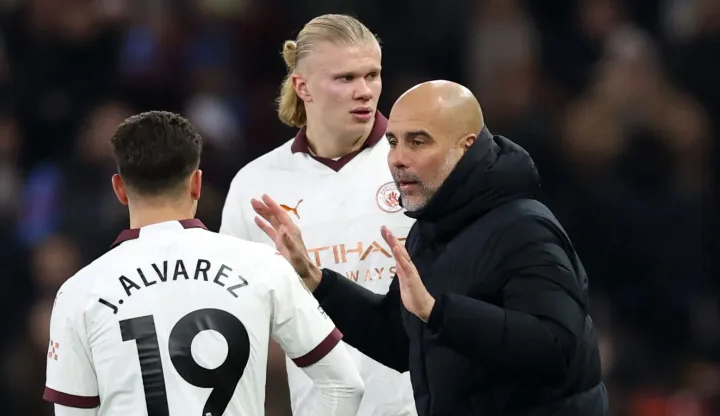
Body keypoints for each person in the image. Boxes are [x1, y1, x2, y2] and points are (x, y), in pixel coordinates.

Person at [251, 80, 610, 415]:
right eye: (393, 142)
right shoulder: (430, 227)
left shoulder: (524, 228)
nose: (397, 159)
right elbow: (399, 339)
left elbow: (556, 348)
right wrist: (314, 278)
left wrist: (439, 313)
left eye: (418, 142)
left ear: (465, 146)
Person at [43, 111, 364, 416]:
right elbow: (344, 386)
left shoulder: (79, 292)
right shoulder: (263, 266)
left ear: (120, 189)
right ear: (197, 183)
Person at [220, 14, 417, 416]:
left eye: (372, 75)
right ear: (302, 86)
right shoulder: (254, 185)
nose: (364, 91)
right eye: (345, 79)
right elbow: (235, 318)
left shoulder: (415, 165)